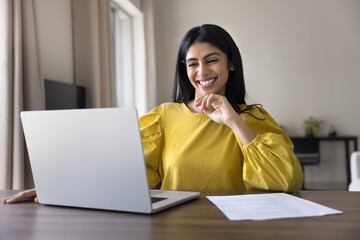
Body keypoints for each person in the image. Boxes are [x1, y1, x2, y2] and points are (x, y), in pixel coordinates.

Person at [2, 24, 303, 204]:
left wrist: (233, 120)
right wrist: (59, 189)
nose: (202, 71)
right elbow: (123, 170)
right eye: (192, 63)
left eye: (212, 60)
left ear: (231, 64)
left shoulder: (254, 118)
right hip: (176, 227)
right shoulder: (164, 116)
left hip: (234, 227)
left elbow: (285, 181)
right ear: (185, 70)